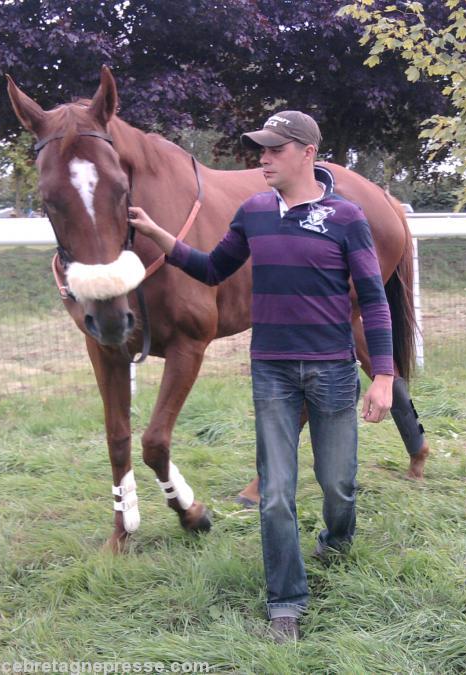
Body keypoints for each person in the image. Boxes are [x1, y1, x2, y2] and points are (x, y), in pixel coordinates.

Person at [127, 111, 393, 643]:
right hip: (272, 372)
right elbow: (210, 269)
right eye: (261, 149)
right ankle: (285, 604)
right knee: (275, 494)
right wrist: (159, 235)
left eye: (274, 149)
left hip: (335, 372)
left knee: (338, 485)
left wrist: (382, 375)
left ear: (306, 152)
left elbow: (374, 300)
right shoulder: (253, 212)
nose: (262, 158)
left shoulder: (346, 218)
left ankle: (336, 541)